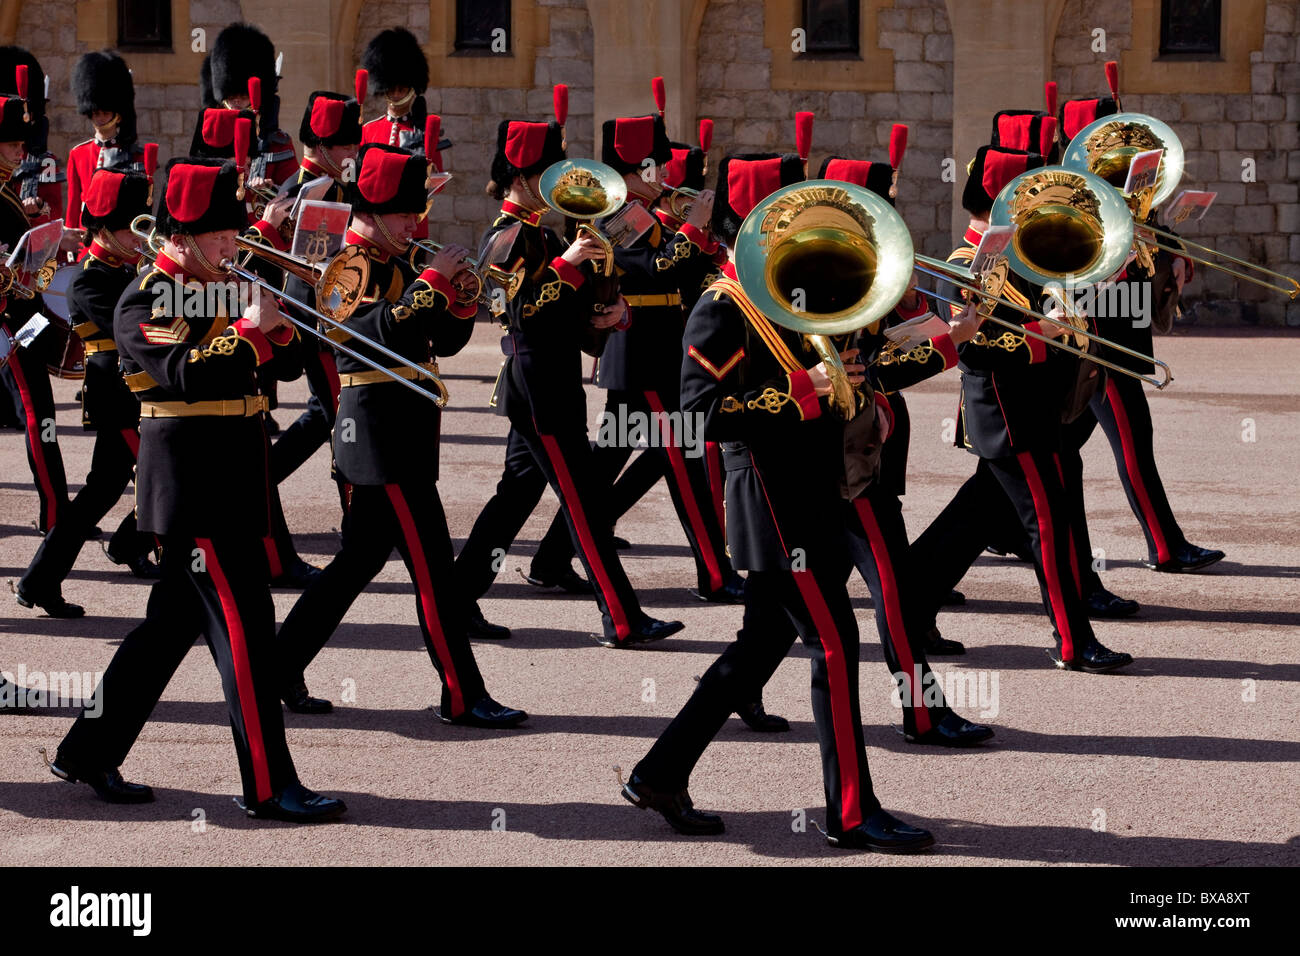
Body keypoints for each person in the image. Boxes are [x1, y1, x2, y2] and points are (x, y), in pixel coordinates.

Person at [623, 151, 934, 851]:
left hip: (812, 494)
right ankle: (851, 812)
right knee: (834, 643)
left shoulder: (793, 299)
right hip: (772, 506)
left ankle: (659, 771)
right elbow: (699, 414)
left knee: (760, 644)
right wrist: (806, 393)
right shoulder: (722, 306)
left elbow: (856, 375)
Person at [50, 157, 345, 822]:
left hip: (231, 481)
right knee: (246, 634)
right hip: (192, 490)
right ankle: (268, 786)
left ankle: (87, 749)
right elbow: (186, 373)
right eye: (220, 237)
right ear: (182, 235)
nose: (233, 247)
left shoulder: (219, 287)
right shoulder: (144, 296)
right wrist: (250, 330)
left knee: (164, 633)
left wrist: (283, 324)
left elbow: (282, 365)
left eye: (233, 235)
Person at [274, 143, 527, 728]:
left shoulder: (403, 262)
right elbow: (368, 337)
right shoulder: (348, 265)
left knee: (356, 563)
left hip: (407, 429)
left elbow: (437, 342)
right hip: (379, 436)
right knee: (434, 569)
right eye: (405, 214)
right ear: (371, 210)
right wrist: (430, 287)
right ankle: (461, 694)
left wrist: (461, 304)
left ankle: (278, 664)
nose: (415, 224)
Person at [452, 105, 686, 649]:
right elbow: (515, 311)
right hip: (539, 383)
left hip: (548, 375)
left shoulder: (543, 234)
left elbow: (561, 313)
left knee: (514, 496)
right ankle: (622, 618)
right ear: (520, 178)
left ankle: (457, 599)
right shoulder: (508, 236)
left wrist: (607, 314)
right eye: (546, 174)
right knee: (582, 501)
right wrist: (568, 266)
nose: (556, 184)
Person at [908, 145, 1134, 673]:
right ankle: (1073, 640)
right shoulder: (964, 264)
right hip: (1009, 417)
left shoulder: (1018, 255)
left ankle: (909, 605)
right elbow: (972, 347)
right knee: (1048, 525)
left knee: (970, 521)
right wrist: (1046, 332)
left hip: (1041, 409)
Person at [16, 164, 159, 618]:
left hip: (131, 394)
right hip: (115, 393)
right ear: (105, 229)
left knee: (104, 490)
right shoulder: (87, 278)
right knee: (160, 477)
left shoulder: (125, 269)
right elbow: (130, 327)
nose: (139, 238)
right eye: (130, 229)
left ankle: (42, 580)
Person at [66, 51, 145, 233]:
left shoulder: (136, 154)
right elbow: (74, 202)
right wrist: (70, 234)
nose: (100, 118)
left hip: (120, 235)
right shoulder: (78, 154)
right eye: (96, 113)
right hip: (86, 237)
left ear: (117, 115)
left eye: (105, 113)